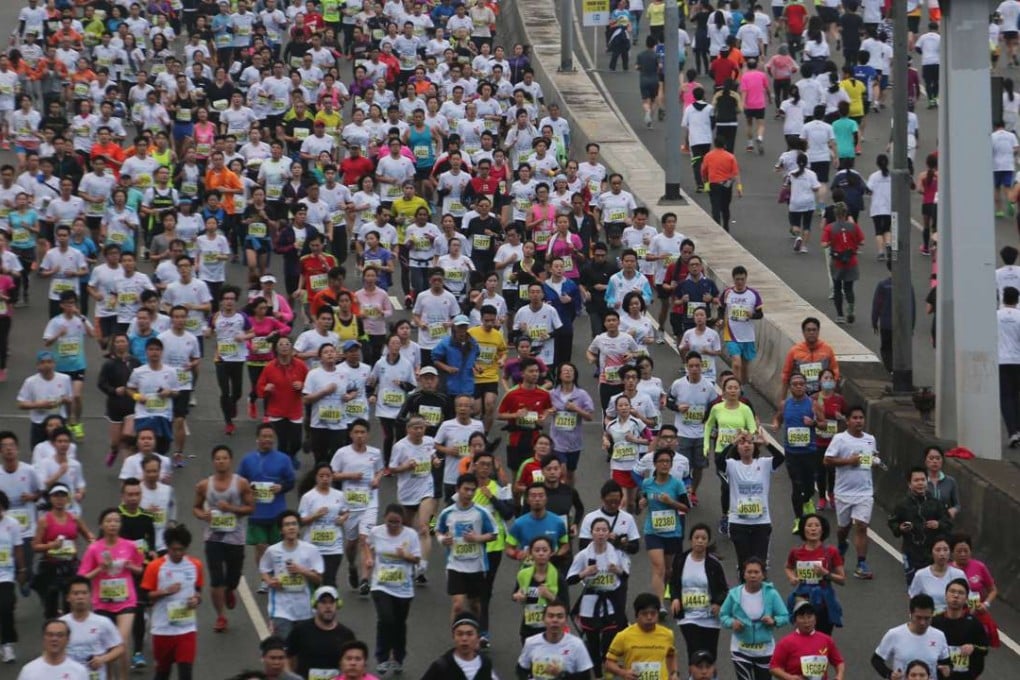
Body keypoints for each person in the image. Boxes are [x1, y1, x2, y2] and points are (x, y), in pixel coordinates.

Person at [77, 507, 145, 680]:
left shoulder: (130, 546)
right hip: (102, 602)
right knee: (106, 647)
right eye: (108, 521)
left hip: (126, 600)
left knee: (120, 643)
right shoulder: (94, 549)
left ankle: (123, 678)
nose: (113, 524)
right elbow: (82, 576)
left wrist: (130, 566)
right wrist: (100, 569)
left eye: (116, 521)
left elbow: (140, 569)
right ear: (101, 525)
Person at [192, 445, 254, 633]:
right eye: (217, 458)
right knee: (216, 578)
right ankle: (220, 616)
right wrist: (203, 515)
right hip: (213, 537)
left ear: (230, 460)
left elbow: (251, 508)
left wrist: (231, 509)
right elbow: (195, 507)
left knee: (233, 576)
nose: (221, 461)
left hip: (235, 537)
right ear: (213, 461)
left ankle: (230, 590)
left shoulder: (241, 483)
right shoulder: (204, 485)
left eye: (224, 458)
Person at [566, 516, 628, 678]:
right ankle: (598, 674)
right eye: (597, 530)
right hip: (590, 603)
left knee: (610, 638)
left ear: (609, 533)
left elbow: (626, 575)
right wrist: (584, 573)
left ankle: (607, 665)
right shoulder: (583, 555)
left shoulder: (617, 553)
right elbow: (569, 580)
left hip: (611, 601)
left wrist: (618, 571)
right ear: (591, 533)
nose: (600, 534)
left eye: (604, 530)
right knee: (592, 642)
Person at [823, 405, 880, 580]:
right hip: (843, 492)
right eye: (854, 418)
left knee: (862, 526)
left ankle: (861, 563)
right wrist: (850, 461)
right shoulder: (840, 439)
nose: (858, 421)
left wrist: (874, 460)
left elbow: (872, 456)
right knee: (843, 528)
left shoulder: (870, 439)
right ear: (847, 421)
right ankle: (842, 543)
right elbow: (827, 460)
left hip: (864, 492)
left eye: (861, 418)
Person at [140, 524, 203, 680]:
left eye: (181, 549)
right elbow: (145, 596)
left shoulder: (195, 565)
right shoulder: (155, 567)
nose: (178, 553)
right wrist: (165, 591)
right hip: (163, 628)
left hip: (187, 628)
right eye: (174, 549)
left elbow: (198, 591)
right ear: (167, 547)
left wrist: (196, 600)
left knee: (186, 673)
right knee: (162, 673)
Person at [364, 503, 421, 675]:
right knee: (386, 620)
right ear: (384, 519)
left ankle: (398, 658)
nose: (393, 526)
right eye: (390, 522)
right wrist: (369, 559)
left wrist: (405, 556)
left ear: (403, 521)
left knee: (399, 624)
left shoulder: (410, 535)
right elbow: (367, 544)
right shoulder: (376, 532)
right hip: (380, 585)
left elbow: (417, 559)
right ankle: (382, 659)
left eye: (397, 522)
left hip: (403, 588)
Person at [239, 424, 296, 590]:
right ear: (258, 439)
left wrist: (281, 487)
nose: (267, 440)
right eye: (264, 436)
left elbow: (290, 481)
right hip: (257, 513)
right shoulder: (248, 460)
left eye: (270, 437)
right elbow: (240, 481)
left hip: (277, 512)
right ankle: (266, 578)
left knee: (277, 548)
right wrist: (247, 489)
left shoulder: (283, 459)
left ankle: (278, 575)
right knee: (261, 546)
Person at [436, 473, 497, 622]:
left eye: (472, 490)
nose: (469, 493)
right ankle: (457, 638)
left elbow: (494, 534)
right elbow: (435, 528)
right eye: (466, 489)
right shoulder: (447, 512)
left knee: (475, 605)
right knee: (457, 606)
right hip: (455, 564)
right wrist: (442, 539)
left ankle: (474, 635)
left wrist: (477, 538)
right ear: (457, 489)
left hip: (477, 566)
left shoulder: (482, 512)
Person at [720, 557, 790, 680]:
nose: (753, 575)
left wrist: (774, 621)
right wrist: (732, 623)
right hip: (740, 648)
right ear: (744, 574)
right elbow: (723, 615)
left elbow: (785, 616)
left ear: (763, 575)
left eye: (756, 572)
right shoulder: (734, 594)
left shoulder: (771, 594)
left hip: (765, 649)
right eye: (749, 572)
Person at [725, 433, 785, 573]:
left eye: (750, 443)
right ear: (737, 448)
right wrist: (732, 442)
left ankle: (760, 592)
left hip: (761, 522)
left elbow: (781, 457)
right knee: (744, 563)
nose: (746, 445)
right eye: (742, 443)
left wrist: (767, 443)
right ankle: (743, 591)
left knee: (760, 564)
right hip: (738, 523)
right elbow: (718, 461)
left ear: (755, 446)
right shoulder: (732, 465)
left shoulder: (764, 463)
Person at [889, 466, 954, 586]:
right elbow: (893, 522)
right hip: (911, 553)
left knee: (933, 586)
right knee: (914, 587)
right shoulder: (902, 505)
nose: (920, 483)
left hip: (932, 553)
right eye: (916, 480)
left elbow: (948, 523)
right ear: (909, 484)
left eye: (923, 480)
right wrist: (900, 528)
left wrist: (938, 524)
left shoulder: (936, 503)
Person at [641, 449, 690, 601]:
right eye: (661, 461)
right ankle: (659, 604)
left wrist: (671, 502)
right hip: (652, 531)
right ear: (655, 464)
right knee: (658, 567)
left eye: (667, 461)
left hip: (672, 531)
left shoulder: (677, 484)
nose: (664, 464)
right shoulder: (647, 483)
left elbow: (686, 508)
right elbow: (642, 501)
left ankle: (667, 586)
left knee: (668, 570)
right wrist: (641, 503)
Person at [785, 513, 845, 636]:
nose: (813, 529)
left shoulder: (831, 552)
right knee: (804, 636)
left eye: (817, 525)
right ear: (803, 529)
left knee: (823, 638)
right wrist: (792, 578)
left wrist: (826, 574)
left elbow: (842, 579)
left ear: (822, 530)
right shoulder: (796, 552)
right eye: (809, 526)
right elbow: (788, 567)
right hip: (802, 599)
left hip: (824, 601)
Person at [872, 594, 952, 680]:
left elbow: (946, 663)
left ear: (932, 614)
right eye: (918, 617)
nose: (922, 622)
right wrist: (890, 674)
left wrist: (947, 671)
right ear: (910, 614)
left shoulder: (939, 636)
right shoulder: (894, 634)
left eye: (927, 618)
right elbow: (876, 660)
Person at [284, 585, 356, 680]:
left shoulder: (346, 635)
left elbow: (353, 663)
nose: (328, 606)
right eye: (323, 602)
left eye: (332, 602)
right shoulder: (301, 630)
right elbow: (286, 657)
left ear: (337, 605)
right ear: (315, 605)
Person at [60, 577, 125, 680]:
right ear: (68, 597)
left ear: (91, 596)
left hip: (94, 676)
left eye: (84, 593)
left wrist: (103, 659)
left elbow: (119, 648)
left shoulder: (103, 622)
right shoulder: (61, 623)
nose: (80, 597)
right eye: (76, 593)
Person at [298, 463, 350, 589]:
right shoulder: (308, 497)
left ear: (332, 477)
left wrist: (342, 518)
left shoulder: (339, 495)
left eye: (328, 476)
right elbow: (301, 520)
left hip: (334, 547)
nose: (325, 479)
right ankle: (314, 607)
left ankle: (328, 606)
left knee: (329, 581)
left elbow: (346, 511)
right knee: (314, 581)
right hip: (313, 547)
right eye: (321, 476)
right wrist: (315, 516)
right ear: (316, 477)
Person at [604, 592, 677, 680]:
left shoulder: (667, 634)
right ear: (636, 615)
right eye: (644, 613)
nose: (649, 617)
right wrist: (623, 673)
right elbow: (609, 663)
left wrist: (674, 674)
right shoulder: (623, 636)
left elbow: (671, 655)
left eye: (653, 613)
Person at [770, 600, 845, 680]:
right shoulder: (786, 642)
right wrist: (789, 677)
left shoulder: (826, 640)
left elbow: (839, 662)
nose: (806, 622)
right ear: (795, 621)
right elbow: (774, 667)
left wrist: (839, 676)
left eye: (809, 617)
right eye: (802, 618)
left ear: (815, 619)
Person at [949, 533, 1001, 648]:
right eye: (959, 551)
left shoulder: (979, 566)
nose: (963, 554)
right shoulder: (947, 570)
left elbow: (992, 589)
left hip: (977, 614)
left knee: (979, 647)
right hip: (955, 615)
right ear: (952, 553)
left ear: (971, 551)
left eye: (966, 551)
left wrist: (986, 604)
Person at [932, 578, 990, 680]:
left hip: (965, 676)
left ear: (966, 599)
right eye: (952, 591)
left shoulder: (974, 623)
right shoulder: (935, 621)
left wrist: (973, 648)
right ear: (946, 595)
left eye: (960, 593)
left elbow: (984, 649)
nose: (956, 596)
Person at [718, 266, 763, 385]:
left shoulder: (753, 294)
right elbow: (721, 308)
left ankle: (743, 385)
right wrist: (720, 320)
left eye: (742, 279)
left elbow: (760, 314)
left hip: (748, 335)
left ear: (746, 278)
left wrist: (752, 314)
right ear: (733, 279)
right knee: (736, 363)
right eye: (737, 279)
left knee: (744, 367)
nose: (740, 282)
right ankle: (736, 390)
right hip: (732, 335)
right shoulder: (728, 293)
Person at [420, 613, 497, 680]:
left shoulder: (485, 663)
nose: (464, 638)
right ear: (453, 637)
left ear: (477, 637)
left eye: (469, 634)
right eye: (460, 634)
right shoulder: (442, 666)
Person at [908, 537, 967, 615]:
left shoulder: (959, 574)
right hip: (929, 621)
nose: (942, 554)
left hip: (953, 619)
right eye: (938, 550)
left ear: (950, 552)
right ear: (932, 552)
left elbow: (969, 599)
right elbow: (913, 599)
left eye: (945, 550)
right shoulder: (921, 575)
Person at [15, 619, 89, 680]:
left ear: (68, 639)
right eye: (50, 635)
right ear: (43, 638)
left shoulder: (79, 671)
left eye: (60, 635)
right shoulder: (29, 671)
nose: (54, 639)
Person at [700, 135, 743, 230]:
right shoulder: (730, 157)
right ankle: (726, 225)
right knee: (725, 206)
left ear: (714, 144)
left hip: (713, 184)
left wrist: (705, 184)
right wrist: (739, 188)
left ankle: (717, 226)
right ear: (724, 145)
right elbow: (736, 173)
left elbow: (703, 172)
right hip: (726, 185)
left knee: (715, 206)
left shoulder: (708, 156)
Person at [997, 286, 1020, 444]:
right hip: (1018, 361)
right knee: (1017, 396)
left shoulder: (995, 316)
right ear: (1017, 299)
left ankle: (1012, 432)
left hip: (1002, 361)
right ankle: (1018, 429)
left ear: (1003, 298)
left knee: (1006, 397)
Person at [922, 446, 960, 520]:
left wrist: (953, 510)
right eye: (931, 458)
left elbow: (957, 504)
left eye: (938, 458)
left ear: (942, 461)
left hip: (943, 523)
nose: (935, 461)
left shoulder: (950, 481)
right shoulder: (920, 480)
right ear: (925, 461)